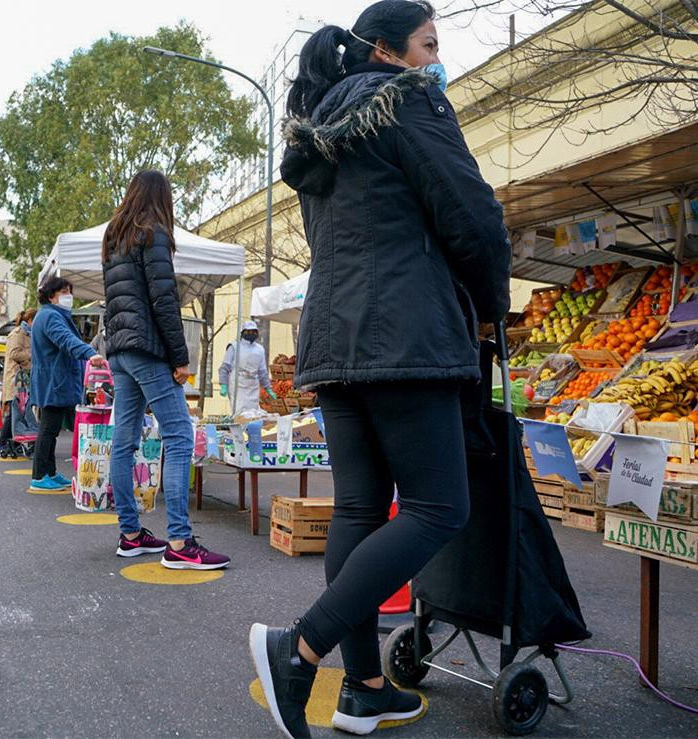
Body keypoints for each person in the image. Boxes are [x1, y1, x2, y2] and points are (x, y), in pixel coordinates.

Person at [247, 3, 510, 737]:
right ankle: (299, 649)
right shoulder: (410, 100)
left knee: (361, 510)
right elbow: (473, 216)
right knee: (438, 508)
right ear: (390, 52)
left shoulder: (320, 136)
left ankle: (364, 687)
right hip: (405, 336)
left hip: (334, 340)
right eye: (429, 43)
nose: (437, 58)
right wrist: (491, 305)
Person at [102, 170, 230, 570]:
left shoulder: (114, 238)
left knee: (123, 441)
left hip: (119, 350)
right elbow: (163, 299)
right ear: (161, 198)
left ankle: (131, 534)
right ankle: (179, 541)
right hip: (146, 348)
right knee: (178, 434)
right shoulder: (152, 232)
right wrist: (180, 357)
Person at [29, 276, 105, 491]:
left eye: (69, 292)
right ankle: (40, 475)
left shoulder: (48, 315)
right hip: (55, 381)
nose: (68, 296)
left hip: (56, 380)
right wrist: (90, 353)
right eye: (64, 292)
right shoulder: (51, 317)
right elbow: (66, 340)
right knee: (49, 429)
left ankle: (49, 473)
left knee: (51, 430)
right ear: (51, 295)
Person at [0, 309, 36, 456]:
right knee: (14, 412)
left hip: (24, 379)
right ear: (30, 319)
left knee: (19, 411)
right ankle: (1, 444)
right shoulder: (18, 334)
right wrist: (32, 355)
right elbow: (14, 353)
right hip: (16, 379)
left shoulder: (28, 334)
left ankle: (13, 442)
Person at [218, 320, 276, 413]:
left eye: (254, 331)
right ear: (243, 332)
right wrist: (223, 384)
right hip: (238, 385)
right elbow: (225, 368)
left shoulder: (260, 349)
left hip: (253, 386)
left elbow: (262, 372)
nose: (251, 333)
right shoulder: (234, 347)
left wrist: (268, 388)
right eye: (248, 331)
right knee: (239, 412)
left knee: (253, 413)